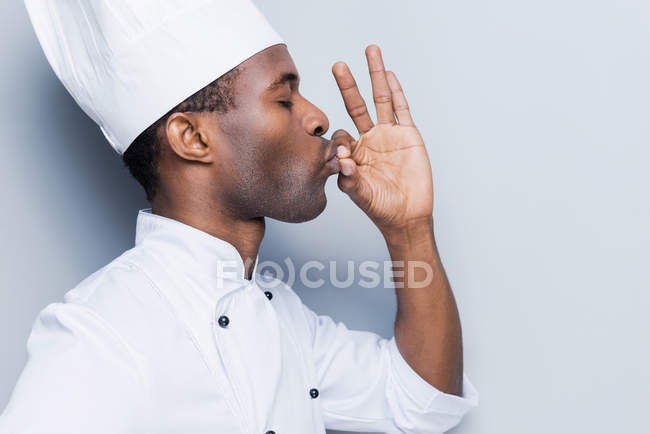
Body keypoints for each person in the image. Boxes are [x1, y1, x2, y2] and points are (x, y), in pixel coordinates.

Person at [0, 1, 478, 433]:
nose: (318, 119)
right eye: (284, 99)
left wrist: (410, 230)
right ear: (193, 138)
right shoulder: (102, 334)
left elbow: (422, 402)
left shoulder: (281, 316)